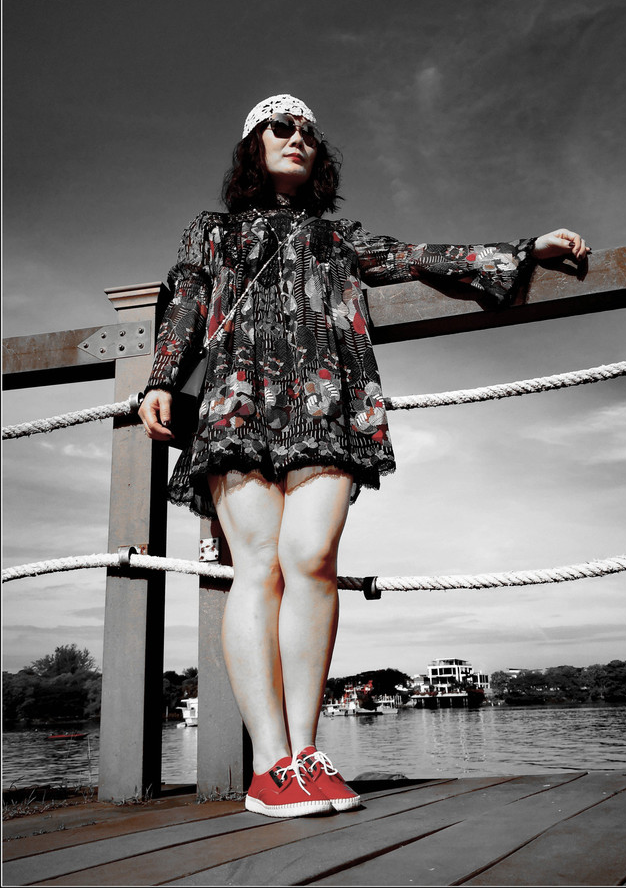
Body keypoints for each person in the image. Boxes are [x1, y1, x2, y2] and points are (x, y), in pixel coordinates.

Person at [139, 93, 589, 818]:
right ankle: (269, 765)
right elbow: (187, 301)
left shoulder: (339, 236)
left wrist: (521, 249)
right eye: (279, 127)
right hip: (235, 403)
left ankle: (307, 752)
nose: (296, 137)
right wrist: (160, 379)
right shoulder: (212, 230)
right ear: (253, 145)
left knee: (312, 556)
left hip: (326, 402)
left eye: (308, 132)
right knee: (256, 565)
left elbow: (415, 257)